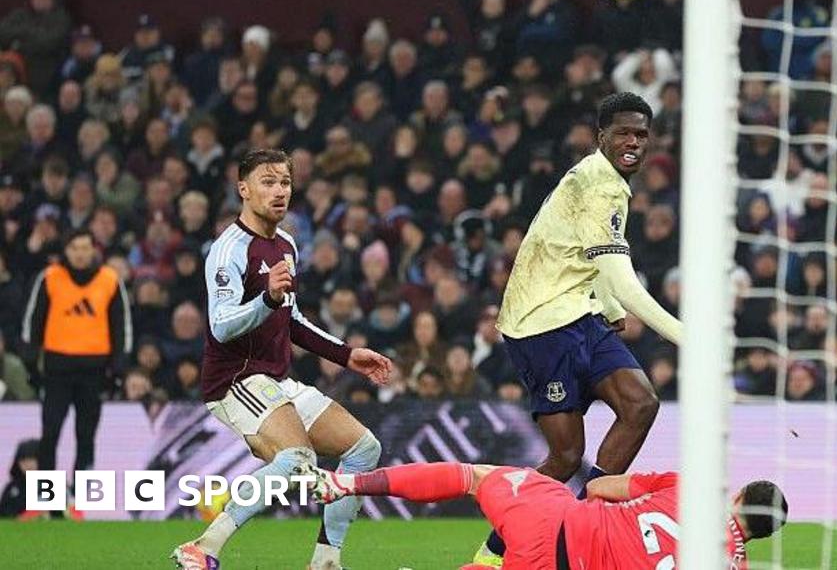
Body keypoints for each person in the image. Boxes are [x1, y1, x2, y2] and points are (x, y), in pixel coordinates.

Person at [474, 92, 684, 566]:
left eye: (641, 134)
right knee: (566, 456)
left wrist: (606, 305)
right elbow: (622, 279)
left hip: (580, 314)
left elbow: (591, 257)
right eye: (623, 133)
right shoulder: (597, 185)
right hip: (539, 323)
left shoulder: (606, 181)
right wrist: (687, 336)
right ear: (601, 136)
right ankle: (492, 552)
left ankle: (584, 520)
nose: (633, 142)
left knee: (641, 403)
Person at [171, 149, 393, 570]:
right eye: (268, 182)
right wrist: (267, 298)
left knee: (364, 448)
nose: (279, 191)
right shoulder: (227, 250)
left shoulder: (286, 244)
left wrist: (346, 355)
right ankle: (202, 547)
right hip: (235, 380)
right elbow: (221, 326)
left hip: (276, 380)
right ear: (243, 189)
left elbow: (291, 318)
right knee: (297, 459)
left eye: (285, 183)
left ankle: (325, 561)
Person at [313, 462, 787, 569]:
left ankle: (346, 484)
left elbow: (598, 488)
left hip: (554, 523)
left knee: (475, 478)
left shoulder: (692, 489)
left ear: (738, 495)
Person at [20, 230, 131, 477]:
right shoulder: (50, 277)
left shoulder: (109, 280)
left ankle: (81, 491)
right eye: (74, 248)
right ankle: (48, 493)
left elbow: (121, 328)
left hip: (94, 371)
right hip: (57, 370)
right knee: (50, 432)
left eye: (85, 248)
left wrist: (119, 367)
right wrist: (30, 362)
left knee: (86, 434)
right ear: (66, 251)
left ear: (93, 250)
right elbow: (34, 322)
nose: (80, 254)